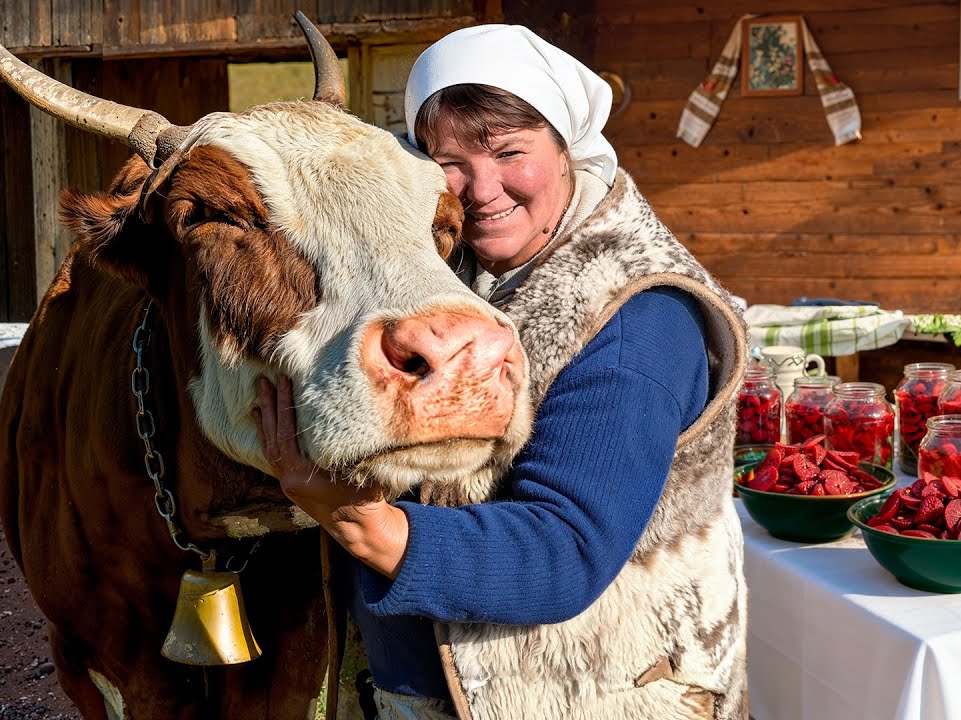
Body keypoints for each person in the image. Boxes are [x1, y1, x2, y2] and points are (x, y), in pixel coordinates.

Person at [254, 24, 749, 720]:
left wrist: (356, 521)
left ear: (565, 149)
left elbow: (562, 554)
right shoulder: (458, 272)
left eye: (510, 152)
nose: (481, 189)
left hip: (595, 696)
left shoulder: (636, 320)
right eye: (449, 160)